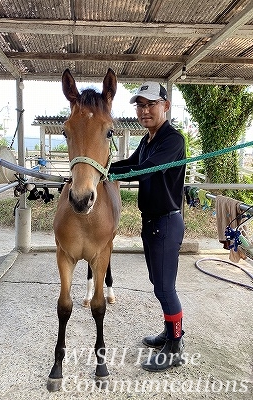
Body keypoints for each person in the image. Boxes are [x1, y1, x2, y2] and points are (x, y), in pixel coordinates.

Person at [108, 82, 186, 372]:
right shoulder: (147, 139)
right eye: (140, 105)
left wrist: (113, 171)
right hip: (151, 222)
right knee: (159, 284)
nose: (145, 110)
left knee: (165, 287)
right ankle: (169, 331)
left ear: (165, 106)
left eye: (151, 103)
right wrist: (98, 166)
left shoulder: (172, 139)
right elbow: (131, 162)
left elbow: (147, 168)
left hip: (167, 222)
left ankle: (176, 347)